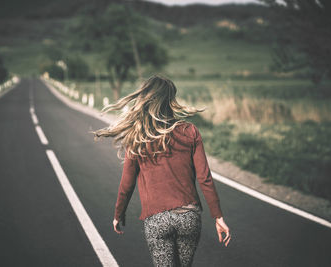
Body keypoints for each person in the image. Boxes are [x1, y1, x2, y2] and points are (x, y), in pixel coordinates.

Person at [93, 74, 231, 266]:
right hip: (189, 217)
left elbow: (127, 183)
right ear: (171, 100)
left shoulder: (138, 136)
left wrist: (119, 214)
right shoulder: (189, 131)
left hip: (157, 219)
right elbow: (205, 178)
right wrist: (218, 216)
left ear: (146, 99)